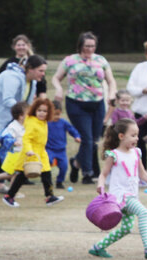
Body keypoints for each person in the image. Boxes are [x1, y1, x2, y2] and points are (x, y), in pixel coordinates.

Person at [89, 119, 147, 259]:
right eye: (133, 135)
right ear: (121, 136)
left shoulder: (136, 153)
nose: (137, 138)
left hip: (132, 195)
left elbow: (143, 174)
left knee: (126, 229)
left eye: (137, 135)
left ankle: (98, 247)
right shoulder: (113, 154)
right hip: (121, 196)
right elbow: (103, 174)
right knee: (143, 212)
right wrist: (100, 185)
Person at [0, 55, 48, 191]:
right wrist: (25, 112)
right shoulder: (12, 77)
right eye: (41, 70)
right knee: (10, 143)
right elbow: (8, 100)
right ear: (30, 69)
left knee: (10, 143)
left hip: (4, 118)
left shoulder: (32, 82)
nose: (43, 74)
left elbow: (28, 103)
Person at [52, 32, 118, 185]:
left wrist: (112, 93)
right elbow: (56, 77)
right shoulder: (70, 60)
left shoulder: (101, 60)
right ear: (80, 45)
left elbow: (111, 80)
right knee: (87, 138)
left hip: (97, 103)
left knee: (95, 140)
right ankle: (87, 173)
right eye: (87, 46)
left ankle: (76, 163)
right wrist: (59, 89)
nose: (90, 49)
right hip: (76, 103)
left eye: (92, 46)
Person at [1, 98, 64, 208]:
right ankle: (9, 196)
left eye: (45, 111)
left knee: (46, 174)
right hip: (31, 153)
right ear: (35, 110)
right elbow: (26, 139)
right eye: (39, 110)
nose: (42, 113)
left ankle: (50, 196)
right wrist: (29, 150)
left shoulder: (43, 122)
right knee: (22, 176)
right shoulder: (31, 122)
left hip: (41, 153)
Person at [0, 101, 29, 193]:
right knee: (16, 173)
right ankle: (12, 193)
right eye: (28, 113)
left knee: (12, 173)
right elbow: (4, 136)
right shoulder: (13, 126)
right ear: (21, 116)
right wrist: (13, 141)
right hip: (12, 154)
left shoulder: (27, 126)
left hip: (22, 154)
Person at [0, 34, 47, 99]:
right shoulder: (9, 63)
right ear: (14, 47)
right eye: (18, 45)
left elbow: (41, 84)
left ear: (28, 46)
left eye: (23, 45)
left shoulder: (35, 62)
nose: (21, 47)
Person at [47, 100, 81, 188]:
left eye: (58, 114)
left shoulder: (63, 122)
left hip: (61, 150)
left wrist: (76, 136)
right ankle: (47, 180)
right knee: (48, 162)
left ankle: (59, 182)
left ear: (61, 113)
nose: (56, 116)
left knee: (64, 166)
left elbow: (72, 130)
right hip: (49, 149)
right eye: (54, 114)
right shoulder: (46, 123)